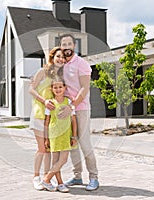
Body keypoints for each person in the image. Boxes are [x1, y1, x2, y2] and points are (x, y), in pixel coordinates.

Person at [59, 33, 99, 191]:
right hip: (67, 108)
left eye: (69, 44)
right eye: (64, 44)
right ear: (61, 47)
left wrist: (72, 106)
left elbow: (84, 88)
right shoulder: (62, 65)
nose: (67, 47)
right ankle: (77, 176)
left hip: (80, 108)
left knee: (84, 143)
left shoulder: (81, 63)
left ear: (74, 46)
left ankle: (94, 177)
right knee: (72, 144)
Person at [29, 46, 65, 190]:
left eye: (63, 57)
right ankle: (35, 177)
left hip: (51, 118)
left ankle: (46, 179)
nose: (60, 59)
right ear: (52, 58)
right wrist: (43, 101)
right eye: (58, 56)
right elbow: (30, 89)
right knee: (42, 149)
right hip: (39, 114)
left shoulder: (59, 77)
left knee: (49, 149)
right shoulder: (42, 72)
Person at [40, 76, 78, 192]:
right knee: (56, 161)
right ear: (51, 89)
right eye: (55, 87)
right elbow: (46, 122)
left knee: (63, 159)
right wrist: (46, 138)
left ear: (64, 88)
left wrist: (74, 136)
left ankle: (46, 179)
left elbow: (73, 120)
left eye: (60, 87)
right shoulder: (51, 103)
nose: (58, 89)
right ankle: (60, 183)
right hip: (54, 134)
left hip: (66, 135)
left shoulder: (69, 102)